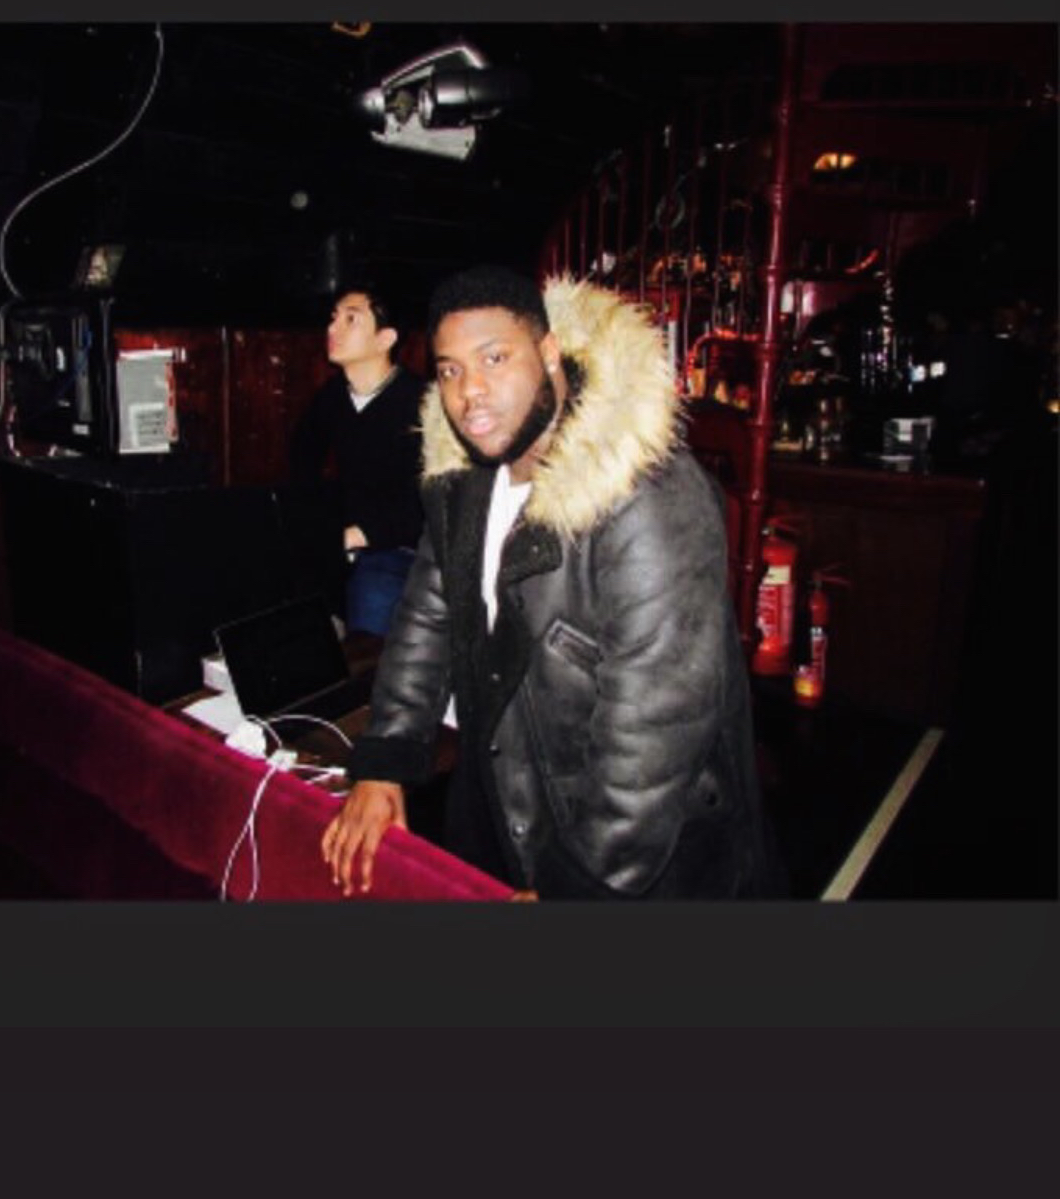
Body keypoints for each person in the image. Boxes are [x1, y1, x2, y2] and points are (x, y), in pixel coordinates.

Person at [322, 265, 781, 900]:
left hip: (643, 865)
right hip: (505, 818)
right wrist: (385, 761)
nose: (470, 392)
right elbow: (427, 617)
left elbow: (656, 726)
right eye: (450, 370)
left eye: (495, 358)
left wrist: (581, 883)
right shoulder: (465, 481)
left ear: (548, 353)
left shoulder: (647, 495)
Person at [288, 283, 425, 636]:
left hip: (400, 549)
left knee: (372, 600)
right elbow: (301, 467)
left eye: (351, 319)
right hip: (339, 546)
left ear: (385, 339)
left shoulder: (422, 402)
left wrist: (360, 533)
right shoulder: (331, 397)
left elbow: (431, 501)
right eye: (334, 318)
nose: (333, 328)